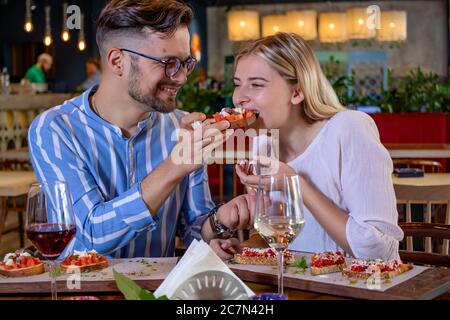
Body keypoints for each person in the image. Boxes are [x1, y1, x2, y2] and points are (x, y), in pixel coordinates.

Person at [28, 0, 254, 259]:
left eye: (185, 63)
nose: (181, 77)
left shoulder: (182, 128)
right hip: (83, 293)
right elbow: (90, 235)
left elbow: (194, 228)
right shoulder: (56, 130)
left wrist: (220, 223)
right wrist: (174, 166)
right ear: (117, 61)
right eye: (168, 62)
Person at [234, 32, 403, 260]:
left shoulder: (349, 128)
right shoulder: (262, 145)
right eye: (238, 85)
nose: (239, 98)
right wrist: (240, 238)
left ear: (297, 92)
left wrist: (296, 184)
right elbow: (278, 243)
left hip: (359, 287)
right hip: (299, 288)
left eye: (256, 84)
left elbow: (378, 250)